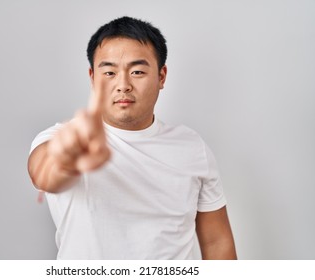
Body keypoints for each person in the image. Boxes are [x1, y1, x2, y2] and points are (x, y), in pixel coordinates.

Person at [28, 16, 237, 260]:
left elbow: (216, 241)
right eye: (109, 72)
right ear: (93, 78)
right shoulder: (61, 136)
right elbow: (46, 173)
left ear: (161, 77)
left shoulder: (192, 147)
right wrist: (69, 154)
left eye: (137, 71)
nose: (123, 85)